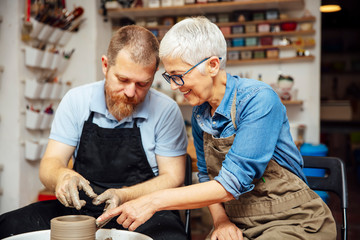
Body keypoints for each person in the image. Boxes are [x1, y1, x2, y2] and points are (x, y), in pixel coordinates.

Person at [97, 17, 337, 240]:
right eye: (170, 77)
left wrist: (152, 201)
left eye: (179, 76)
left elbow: (231, 184)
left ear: (212, 65)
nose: (175, 86)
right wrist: (221, 221)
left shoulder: (258, 100)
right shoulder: (201, 113)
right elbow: (206, 178)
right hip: (238, 222)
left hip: (292, 220)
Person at [0, 25, 189, 240]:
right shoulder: (77, 100)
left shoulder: (166, 110)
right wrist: (62, 176)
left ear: (153, 76)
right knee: (8, 225)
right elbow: (50, 163)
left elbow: (173, 177)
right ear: (105, 66)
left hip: (141, 210)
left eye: (142, 84)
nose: (130, 92)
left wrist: (124, 195)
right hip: (81, 208)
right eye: (123, 80)